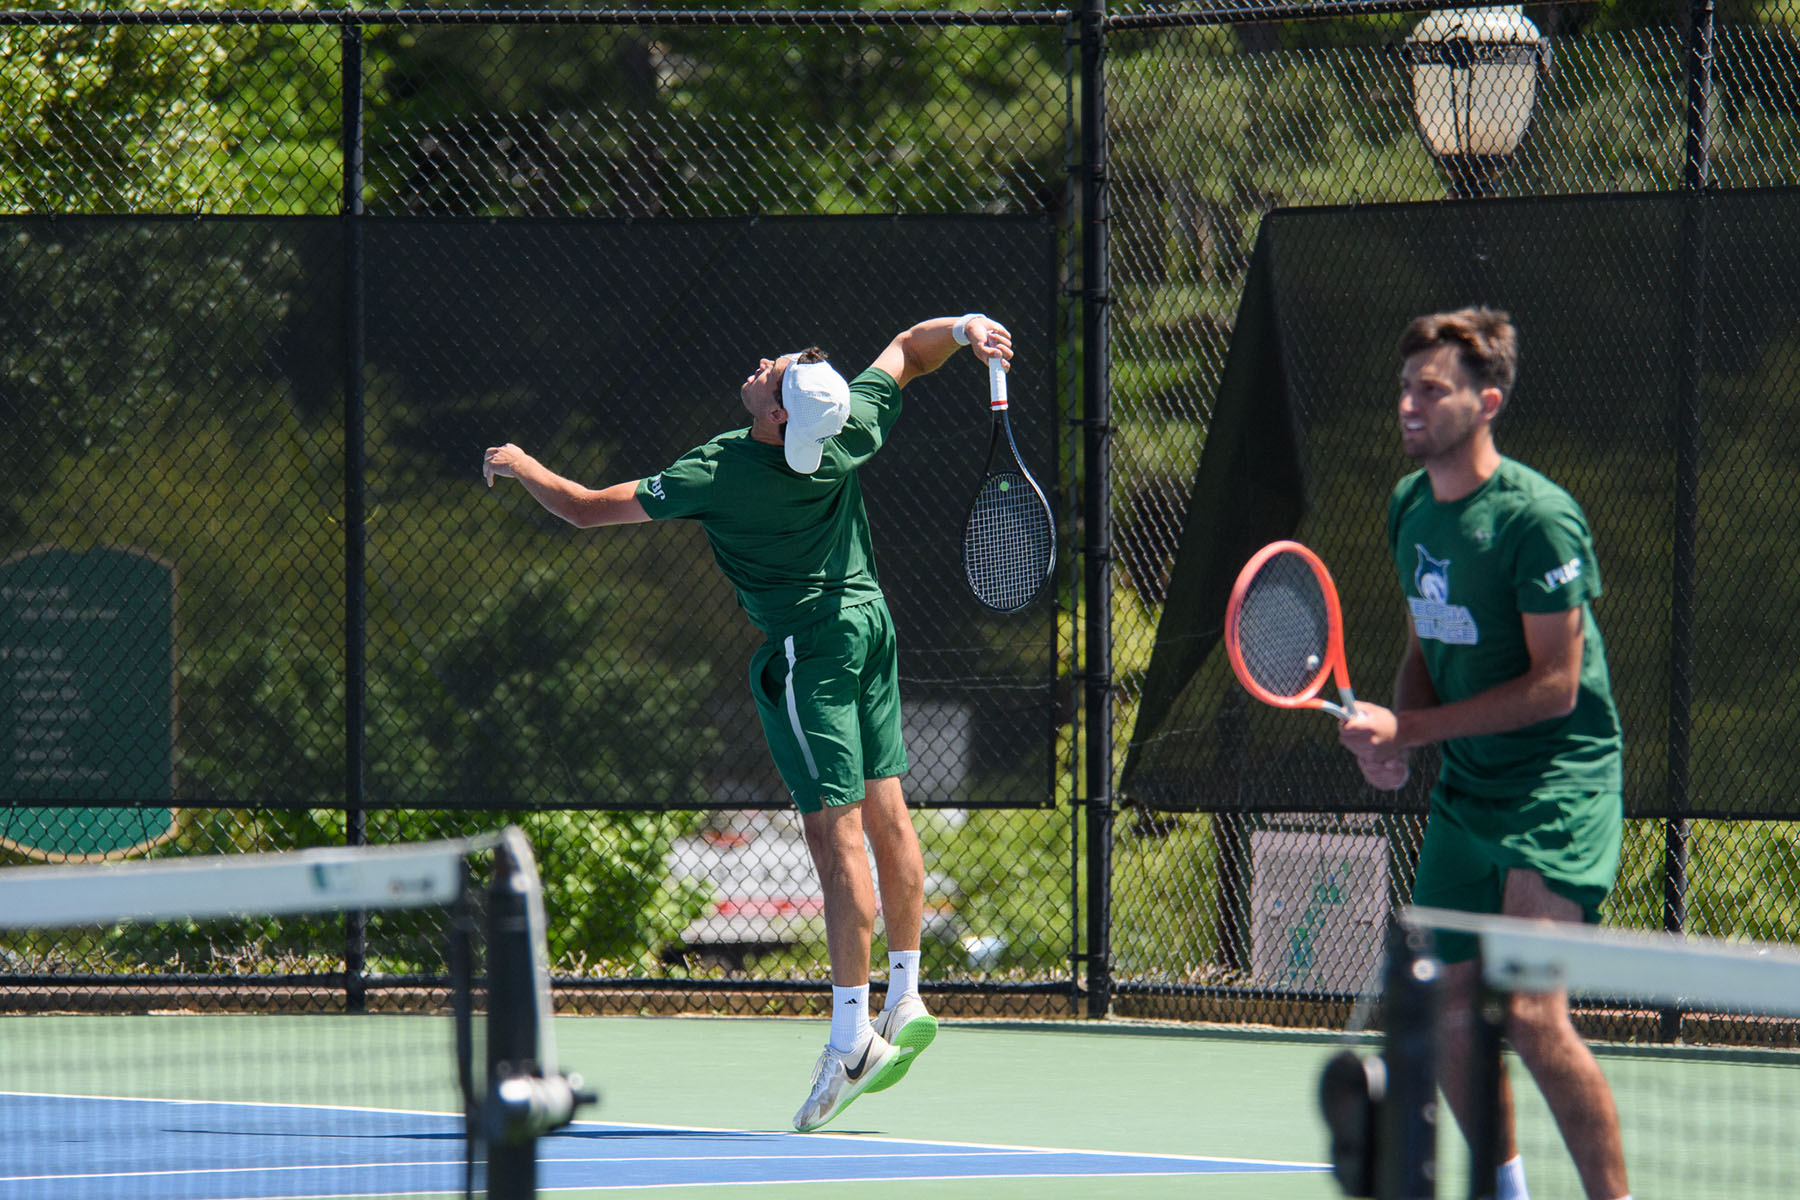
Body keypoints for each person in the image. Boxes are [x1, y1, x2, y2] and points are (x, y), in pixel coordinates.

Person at [482, 313, 1014, 1133]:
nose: (765, 367)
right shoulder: (847, 428)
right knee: (888, 811)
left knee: (835, 840)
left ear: (776, 421)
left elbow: (587, 510)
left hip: (813, 654)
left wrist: (520, 465)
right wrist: (969, 327)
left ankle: (851, 1038)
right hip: (871, 626)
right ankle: (905, 995)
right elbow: (911, 350)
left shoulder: (724, 468)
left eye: (774, 380)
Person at [1337, 307, 1632, 1200]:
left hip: (1559, 786)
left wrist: (1412, 731)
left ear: (1486, 401)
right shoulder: (1409, 509)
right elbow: (1430, 641)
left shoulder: (1539, 522)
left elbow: (1557, 685)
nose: (1409, 404)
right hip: (1467, 791)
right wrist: (1396, 740)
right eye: (1405, 388)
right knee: (1451, 1012)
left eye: (1433, 390)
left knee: (1535, 1019)